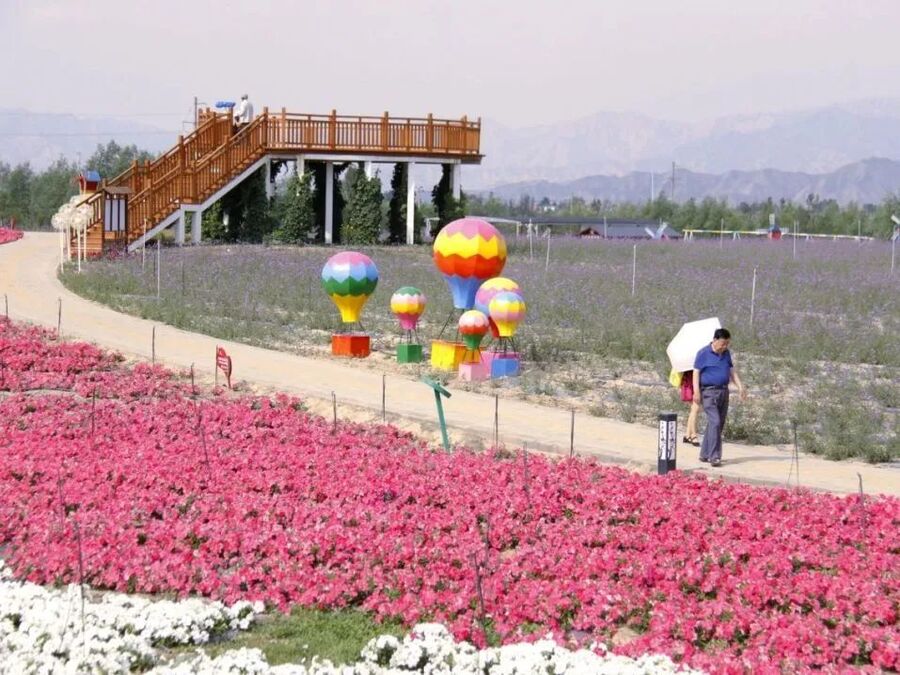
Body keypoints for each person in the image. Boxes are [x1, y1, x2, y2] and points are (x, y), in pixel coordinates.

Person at [692, 328, 746, 467]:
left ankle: (705, 454)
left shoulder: (726, 354)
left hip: (723, 391)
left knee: (717, 424)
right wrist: (696, 391)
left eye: (727, 344)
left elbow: (731, 371)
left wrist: (740, 386)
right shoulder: (703, 353)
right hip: (708, 392)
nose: (725, 346)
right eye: (723, 343)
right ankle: (714, 456)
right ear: (715, 340)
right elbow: (696, 373)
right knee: (715, 422)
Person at [680, 371, 700, 446]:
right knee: (695, 408)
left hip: (690, 380)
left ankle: (687, 435)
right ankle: (693, 435)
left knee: (694, 408)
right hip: (692, 381)